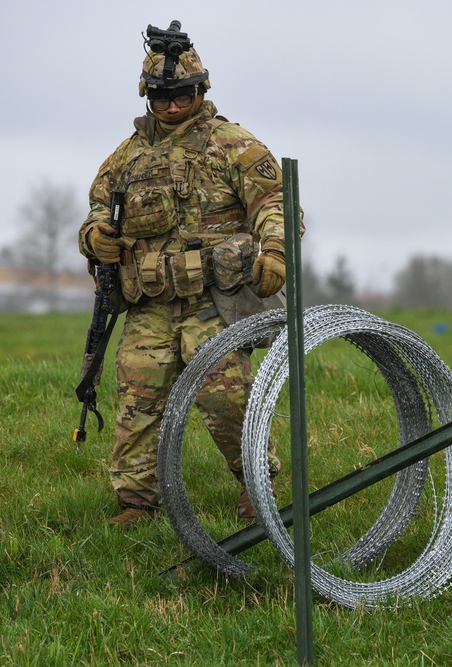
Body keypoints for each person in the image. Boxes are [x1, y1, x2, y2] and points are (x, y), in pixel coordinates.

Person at [78, 21, 299, 529]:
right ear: (147, 95)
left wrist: (276, 252)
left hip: (212, 302)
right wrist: (95, 237)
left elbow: (276, 204)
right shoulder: (127, 156)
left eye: (182, 95)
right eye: (162, 96)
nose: (172, 105)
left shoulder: (234, 145)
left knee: (226, 397)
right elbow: (94, 210)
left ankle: (256, 492)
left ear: (200, 91)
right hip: (150, 305)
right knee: (138, 399)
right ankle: (136, 502)